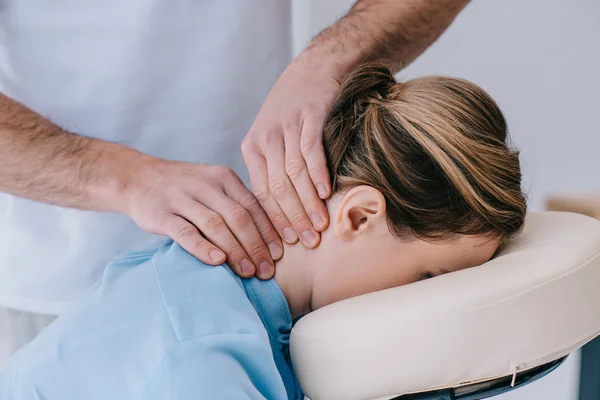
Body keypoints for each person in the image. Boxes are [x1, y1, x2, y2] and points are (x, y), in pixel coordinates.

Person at [0, 63, 526, 399]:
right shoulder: (208, 356)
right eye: (428, 277)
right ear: (359, 215)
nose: (428, 305)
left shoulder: (212, 284)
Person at [0, 0, 471, 367]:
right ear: (360, 215)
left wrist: (329, 60)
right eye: (428, 278)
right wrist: (121, 178)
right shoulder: (198, 362)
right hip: (51, 279)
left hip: (265, 277)